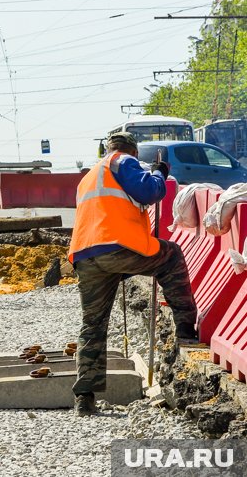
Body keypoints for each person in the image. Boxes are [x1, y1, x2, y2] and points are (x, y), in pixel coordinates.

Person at [68, 132, 197, 417]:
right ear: (133, 151)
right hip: (117, 248)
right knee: (172, 256)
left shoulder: (89, 176)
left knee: (93, 324)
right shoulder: (122, 161)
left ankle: (84, 398)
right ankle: (187, 331)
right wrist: (160, 173)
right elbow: (150, 192)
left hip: (86, 256)